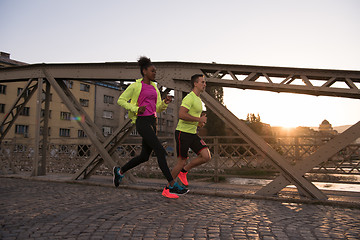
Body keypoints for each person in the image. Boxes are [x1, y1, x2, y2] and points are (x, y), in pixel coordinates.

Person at [113, 56, 188, 199]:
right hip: (142, 121)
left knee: (144, 156)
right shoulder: (135, 86)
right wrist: (135, 109)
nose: (155, 73)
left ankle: (120, 171)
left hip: (153, 122)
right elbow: (120, 100)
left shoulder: (154, 87)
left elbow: (158, 108)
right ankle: (172, 185)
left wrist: (165, 102)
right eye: (152, 71)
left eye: (155, 71)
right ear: (144, 71)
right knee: (160, 150)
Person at [172, 74, 211, 187]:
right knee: (181, 162)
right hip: (182, 133)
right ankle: (169, 186)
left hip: (192, 133)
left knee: (206, 156)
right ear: (195, 83)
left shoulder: (198, 100)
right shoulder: (189, 97)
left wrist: (199, 123)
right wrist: (199, 119)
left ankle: (184, 171)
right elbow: (181, 115)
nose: (205, 84)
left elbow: (191, 118)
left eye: (205, 82)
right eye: (202, 82)